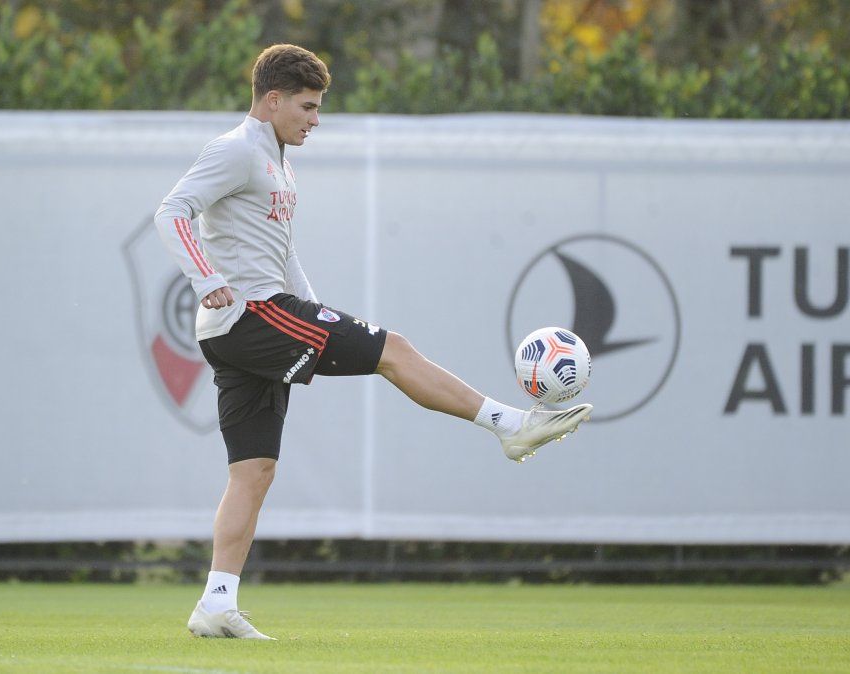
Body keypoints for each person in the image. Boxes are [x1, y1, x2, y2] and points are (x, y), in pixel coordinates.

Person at [154, 44, 592, 640]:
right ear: (273, 99)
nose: (315, 119)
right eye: (307, 107)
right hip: (252, 317)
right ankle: (510, 427)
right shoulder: (235, 151)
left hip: (245, 327)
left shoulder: (278, 161)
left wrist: (312, 306)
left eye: (319, 109)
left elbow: (280, 253)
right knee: (395, 351)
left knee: (252, 472)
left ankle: (215, 603)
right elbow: (172, 211)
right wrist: (206, 280)